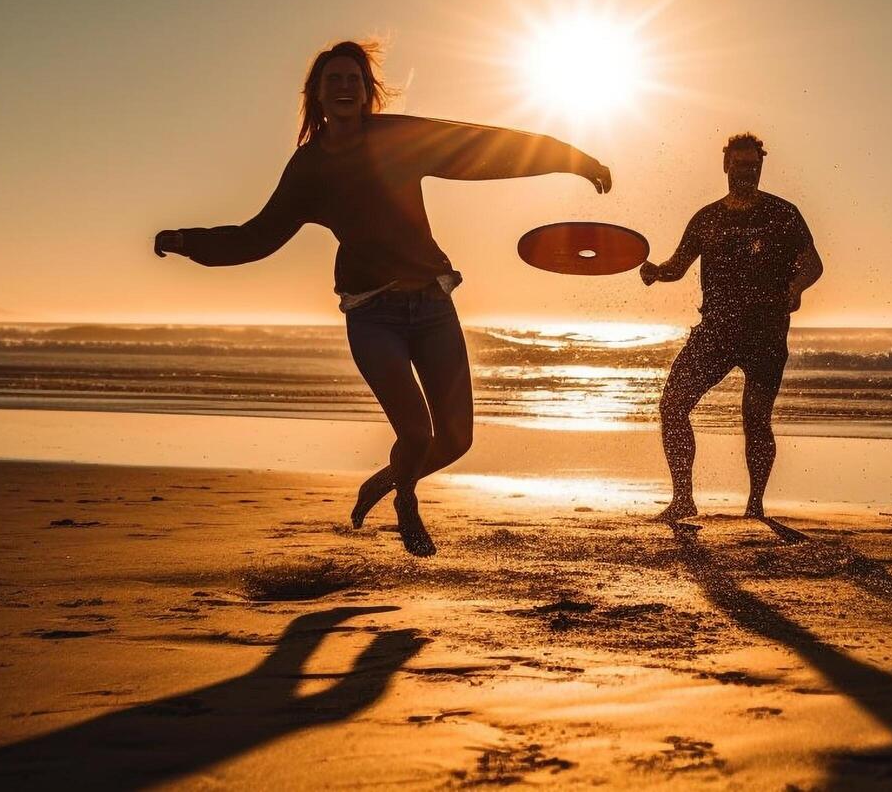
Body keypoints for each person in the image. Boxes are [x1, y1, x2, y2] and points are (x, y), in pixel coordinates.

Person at [155, 40, 611, 557]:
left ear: (368, 92)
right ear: (317, 96)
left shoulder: (398, 138)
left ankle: (388, 480)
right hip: (373, 315)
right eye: (335, 81)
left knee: (457, 439)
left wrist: (569, 158)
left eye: (354, 79)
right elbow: (257, 236)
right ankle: (407, 497)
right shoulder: (309, 169)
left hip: (434, 307)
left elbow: (479, 148)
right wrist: (190, 242)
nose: (345, 88)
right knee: (416, 432)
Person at [640, 133, 823, 522]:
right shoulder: (707, 218)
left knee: (755, 419)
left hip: (765, 332)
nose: (747, 173)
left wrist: (795, 287)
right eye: (740, 166)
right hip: (716, 331)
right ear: (726, 165)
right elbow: (677, 267)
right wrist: (657, 272)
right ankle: (683, 500)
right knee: (672, 405)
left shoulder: (783, 213)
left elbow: (813, 264)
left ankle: (755, 506)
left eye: (753, 166)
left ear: (761, 166)